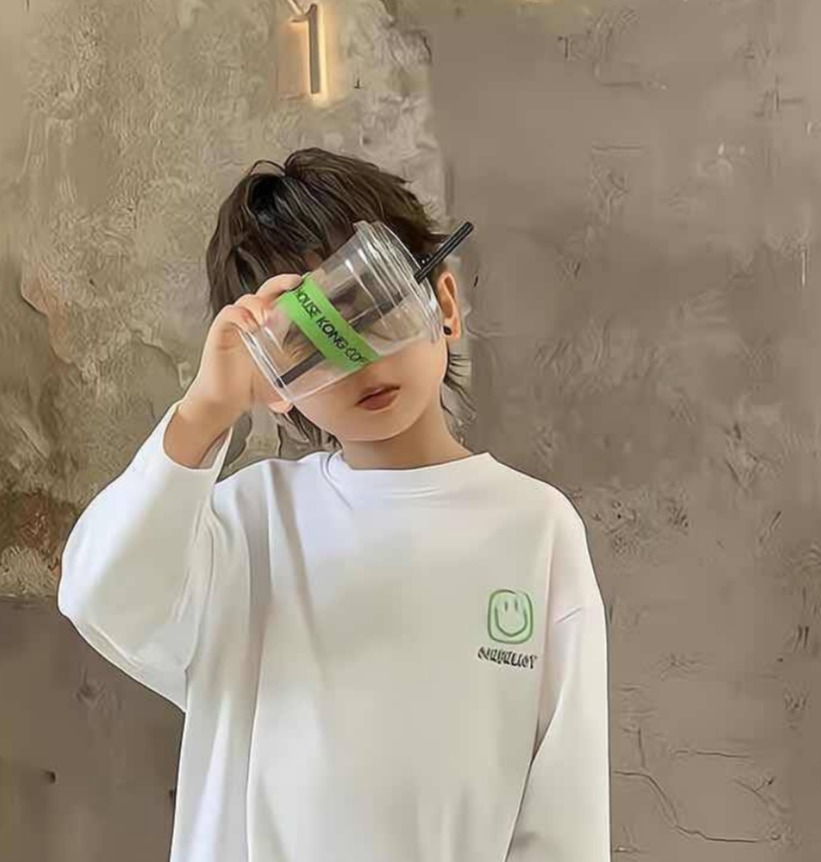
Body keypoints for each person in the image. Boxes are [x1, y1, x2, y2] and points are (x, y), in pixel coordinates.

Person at [58, 148, 610, 862]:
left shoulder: (536, 530)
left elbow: (564, 816)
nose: (360, 356)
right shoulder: (248, 526)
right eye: (312, 339)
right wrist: (206, 410)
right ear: (275, 380)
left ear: (443, 304)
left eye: (374, 305)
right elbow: (102, 592)